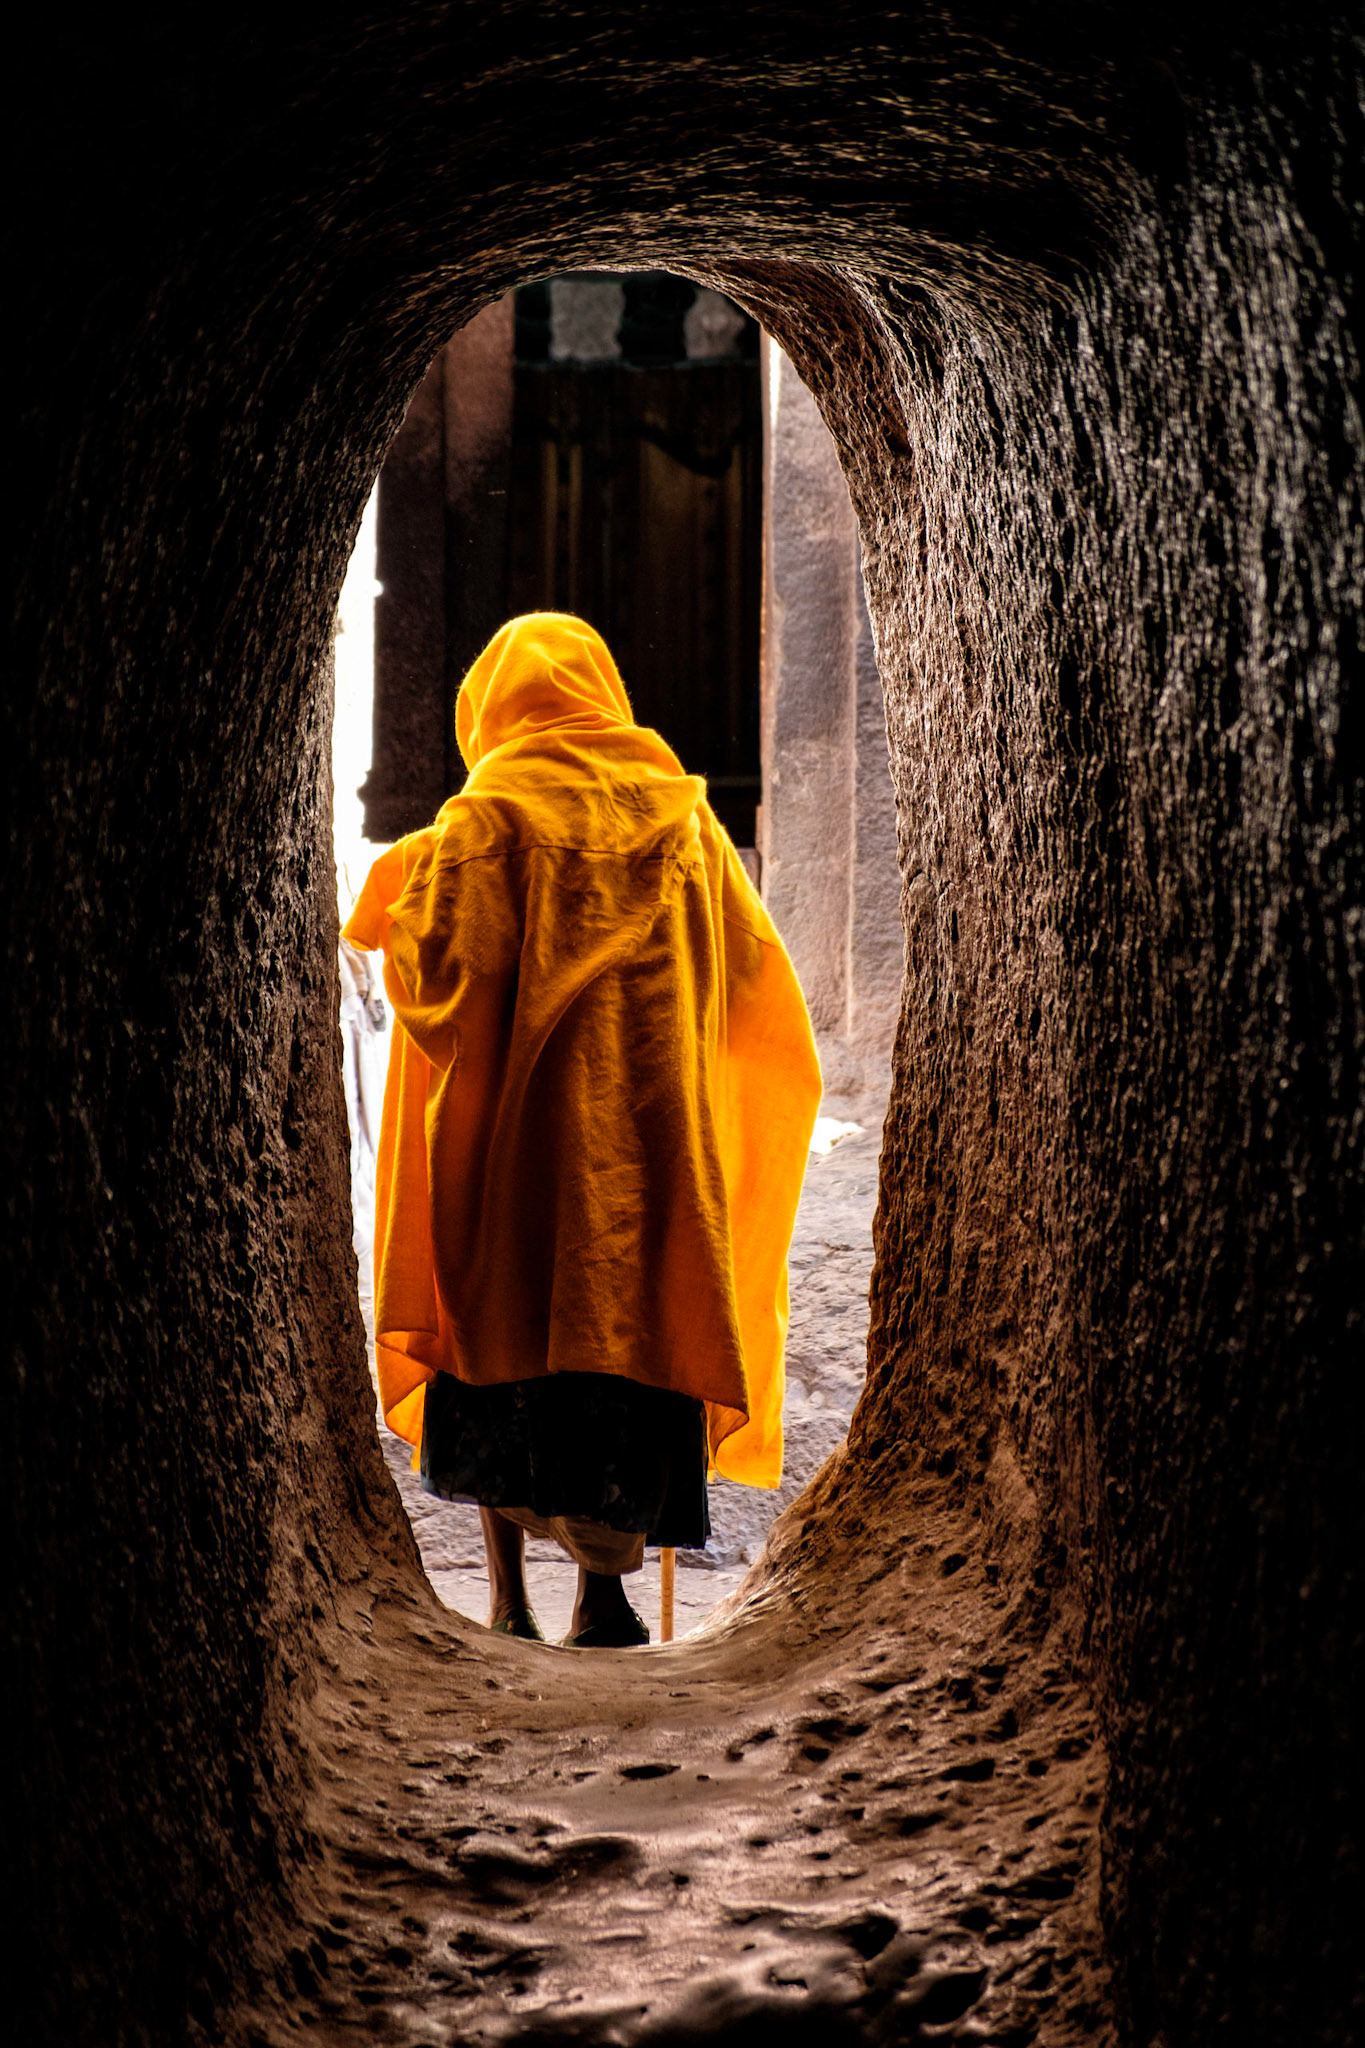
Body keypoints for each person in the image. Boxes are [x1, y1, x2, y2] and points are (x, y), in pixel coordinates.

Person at [342, 612, 820, 1647]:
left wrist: (406, 883)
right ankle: (604, 1600)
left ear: (493, 707)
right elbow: (753, 984)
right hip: (641, 1157)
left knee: (493, 1349)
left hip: (510, 1154)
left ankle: (506, 1599)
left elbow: (437, 971)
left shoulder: (480, 824)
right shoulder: (682, 820)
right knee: (627, 1354)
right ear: (603, 694)